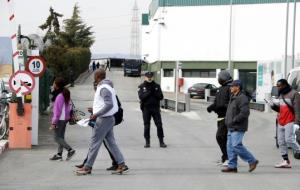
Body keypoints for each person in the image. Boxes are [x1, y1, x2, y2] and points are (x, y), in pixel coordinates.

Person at [76, 69, 128, 175]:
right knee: (111, 143)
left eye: (95, 76)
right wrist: (95, 110)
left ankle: (87, 167)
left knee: (94, 143)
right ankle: (121, 164)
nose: (94, 78)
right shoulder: (108, 87)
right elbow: (106, 103)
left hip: (103, 119)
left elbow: (109, 104)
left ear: (98, 76)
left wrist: (96, 114)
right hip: (109, 118)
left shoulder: (103, 88)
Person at [222, 80, 259, 173]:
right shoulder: (233, 96)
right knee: (230, 147)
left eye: (232, 86)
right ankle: (232, 166)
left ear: (237, 87)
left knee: (236, 145)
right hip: (230, 126)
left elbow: (245, 112)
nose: (230, 88)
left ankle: (252, 161)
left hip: (238, 126)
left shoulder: (242, 98)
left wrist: (234, 120)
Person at [270, 79, 300, 168]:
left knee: (289, 140)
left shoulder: (294, 94)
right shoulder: (281, 94)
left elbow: (297, 109)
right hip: (281, 121)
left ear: (285, 85)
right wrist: (272, 106)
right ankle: (285, 161)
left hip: (290, 121)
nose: (278, 88)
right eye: (277, 86)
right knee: (281, 142)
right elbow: (281, 109)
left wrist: (297, 122)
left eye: (279, 86)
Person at [207, 70, 232, 166]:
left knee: (220, 137)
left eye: (219, 77)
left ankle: (228, 158)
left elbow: (231, 103)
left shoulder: (230, 88)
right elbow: (217, 102)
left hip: (226, 117)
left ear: (224, 78)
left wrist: (220, 106)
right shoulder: (220, 89)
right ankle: (225, 158)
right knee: (223, 138)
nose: (218, 79)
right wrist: (211, 107)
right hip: (220, 116)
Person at [138, 71, 167, 148]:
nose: (149, 78)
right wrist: (149, 92)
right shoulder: (142, 86)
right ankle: (147, 142)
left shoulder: (157, 86)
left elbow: (161, 97)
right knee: (147, 125)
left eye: (151, 76)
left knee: (159, 125)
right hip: (146, 109)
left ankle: (161, 142)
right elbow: (141, 97)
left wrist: (155, 92)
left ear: (153, 77)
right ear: (145, 77)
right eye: (148, 77)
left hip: (155, 108)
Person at [49, 77, 76, 161]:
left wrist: (54, 123)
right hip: (65, 118)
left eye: (54, 83)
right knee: (61, 137)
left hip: (60, 119)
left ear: (57, 85)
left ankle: (70, 150)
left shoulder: (59, 96)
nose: (53, 84)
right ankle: (59, 154)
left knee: (57, 138)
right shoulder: (65, 93)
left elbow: (57, 111)